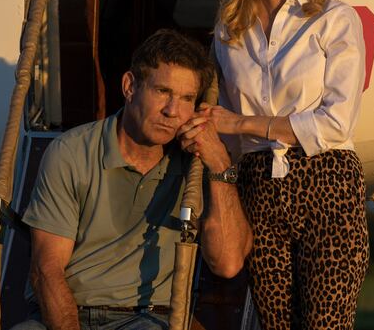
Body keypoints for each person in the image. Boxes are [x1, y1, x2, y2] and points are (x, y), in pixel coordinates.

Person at [203, 0, 369, 330]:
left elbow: (336, 123)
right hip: (258, 186)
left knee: (326, 324)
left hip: (327, 181)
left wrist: (246, 123)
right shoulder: (228, 30)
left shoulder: (335, 18)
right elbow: (225, 127)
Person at [13, 29, 253, 330]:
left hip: (149, 319)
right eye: (162, 91)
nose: (172, 111)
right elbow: (47, 270)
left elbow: (228, 263)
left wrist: (219, 163)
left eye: (186, 99)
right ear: (129, 86)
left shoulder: (198, 163)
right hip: (66, 313)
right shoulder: (71, 152)